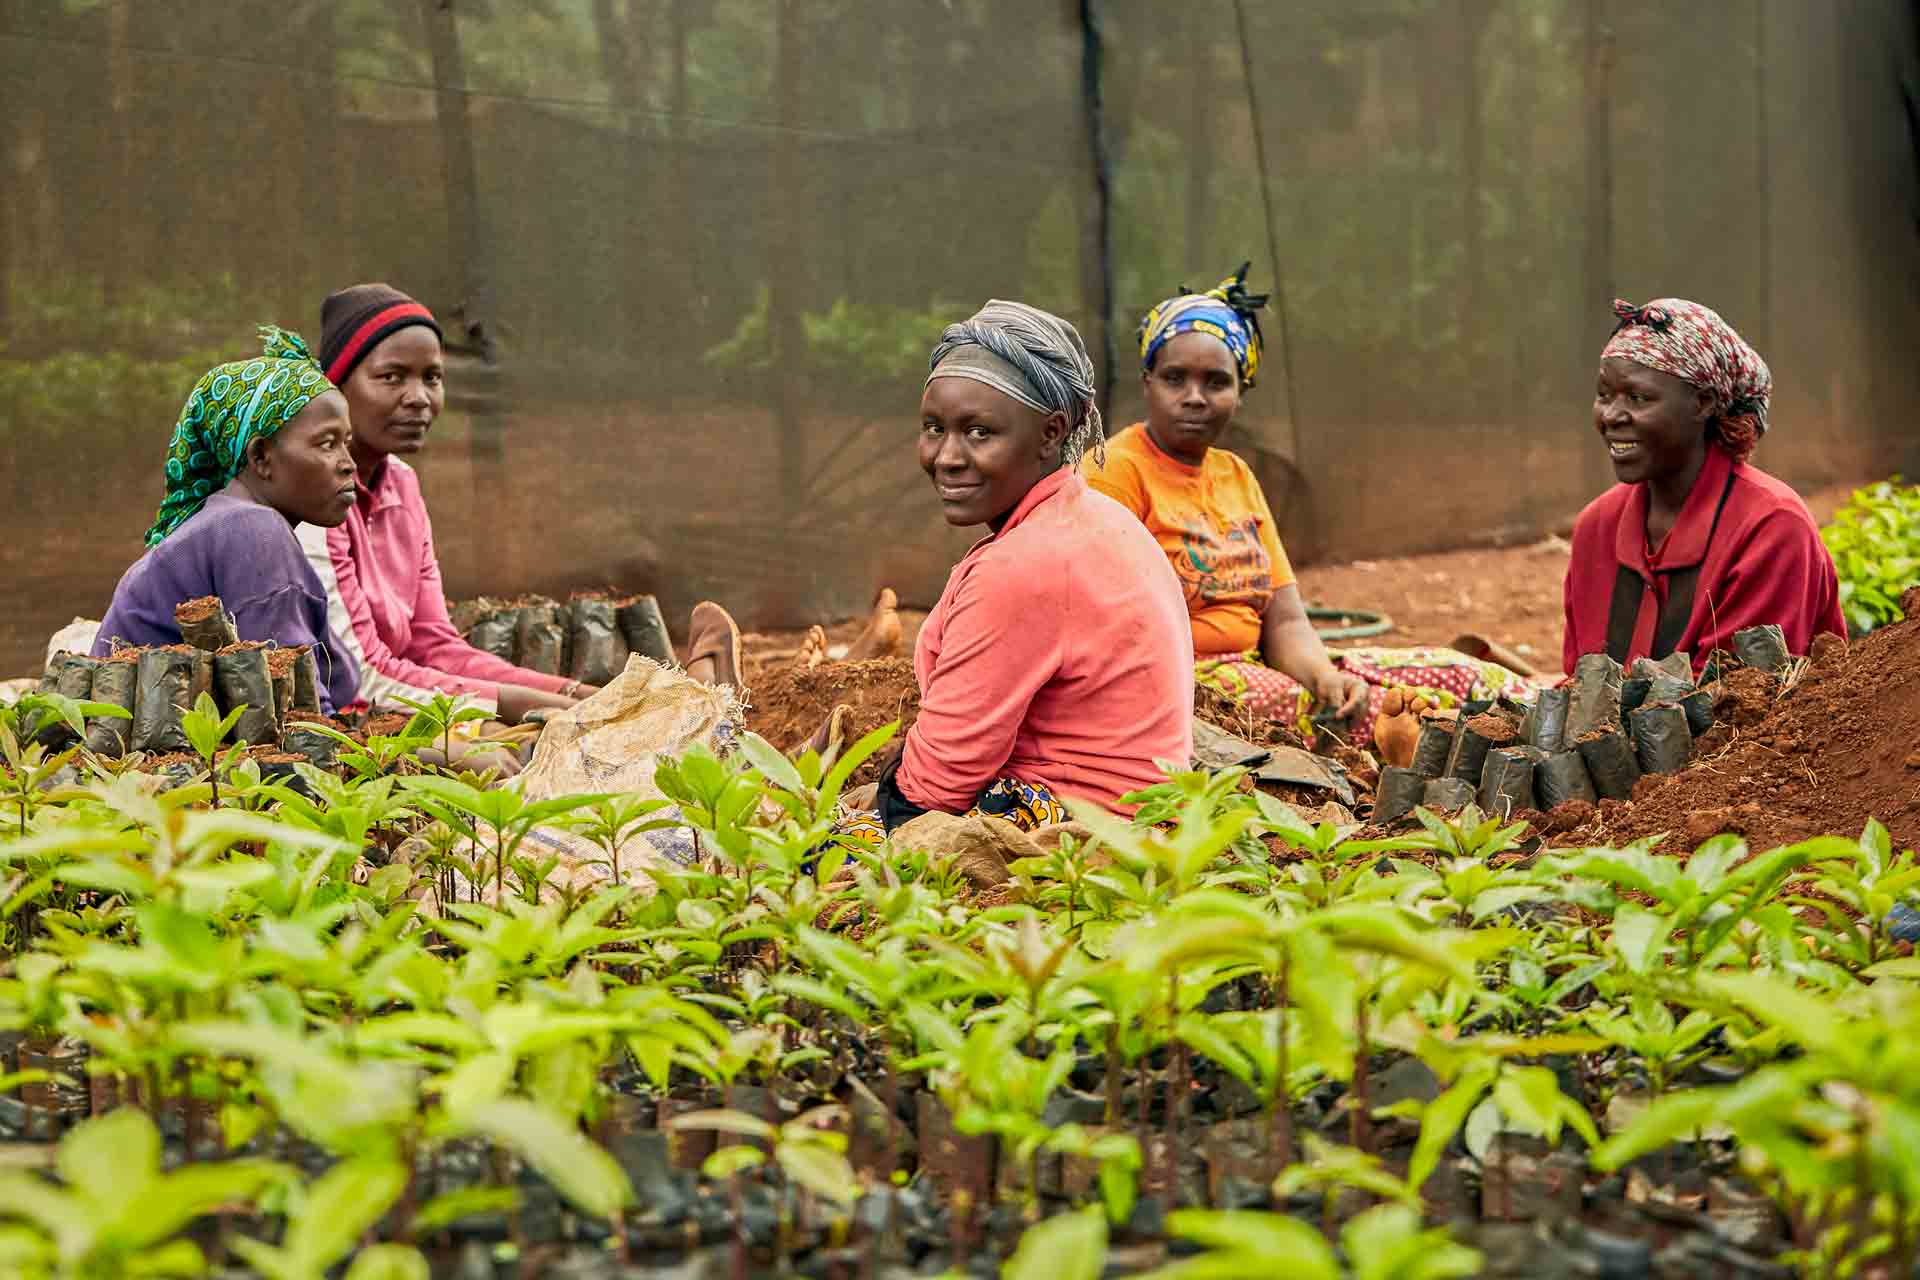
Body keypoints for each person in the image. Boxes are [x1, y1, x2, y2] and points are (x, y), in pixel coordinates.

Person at [1083, 265, 1534, 754]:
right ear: (1147, 381)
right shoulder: (1115, 472)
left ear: (1241, 390)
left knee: (1467, 677)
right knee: (1373, 713)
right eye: (1175, 378)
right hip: (1179, 685)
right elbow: (1103, 629)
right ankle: (1429, 757)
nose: (1194, 397)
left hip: (1259, 663)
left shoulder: (1235, 474)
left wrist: (1323, 675)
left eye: (1215, 381)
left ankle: (1557, 728)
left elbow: (1286, 621)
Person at [845, 300, 1194, 837]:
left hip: (1076, 828)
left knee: (801, 855)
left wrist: (877, 816)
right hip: (1140, 816)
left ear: (1051, 433)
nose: (946, 457)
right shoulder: (1095, 519)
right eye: (934, 428)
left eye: (979, 433)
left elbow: (939, 779)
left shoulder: (1023, 565)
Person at [300, 284, 592, 726]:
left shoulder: (401, 483)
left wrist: (577, 694)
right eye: (391, 376)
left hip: (397, 697)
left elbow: (433, 644)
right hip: (339, 719)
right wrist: (533, 707)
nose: (419, 397)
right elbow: (358, 677)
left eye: (431, 377)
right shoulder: (312, 501)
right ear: (335, 387)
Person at [1563, 298, 1844, 673]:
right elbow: (1580, 685)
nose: (1611, 415)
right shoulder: (1597, 528)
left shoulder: (1771, 528)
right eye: (1604, 394)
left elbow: (1739, 706)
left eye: (1638, 397)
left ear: (1703, 403)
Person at [92, 328, 359, 714]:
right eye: (327, 444)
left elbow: (333, 679)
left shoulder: (234, 522)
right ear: (261, 457)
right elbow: (298, 716)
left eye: (346, 442)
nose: (348, 463)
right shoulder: (251, 531)